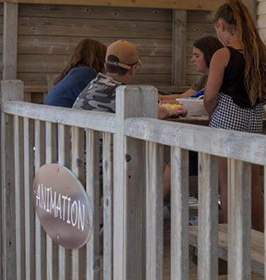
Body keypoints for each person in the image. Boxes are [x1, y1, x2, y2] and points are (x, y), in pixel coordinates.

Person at [73, 40, 184, 199]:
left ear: (106, 65)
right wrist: (170, 109)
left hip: (78, 161)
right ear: (133, 69)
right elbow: (157, 112)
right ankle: (144, 218)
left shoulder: (93, 84)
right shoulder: (118, 92)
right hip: (101, 166)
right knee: (170, 171)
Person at [204, 0, 266, 230]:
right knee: (253, 183)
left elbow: (210, 95)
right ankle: (258, 233)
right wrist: (253, 101)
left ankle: (232, 233)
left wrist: (210, 112)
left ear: (222, 26)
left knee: (228, 183)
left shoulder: (222, 55)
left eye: (217, 30)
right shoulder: (260, 54)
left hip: (226, 120)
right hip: (253, 119)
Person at [45, 39, 107, 108]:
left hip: (51, 115)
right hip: (63, 115)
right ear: (99, 58)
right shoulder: (86, 73)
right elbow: (100, 101)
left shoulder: (74, 72)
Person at [159, 35, 223, 102]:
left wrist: (158, 100)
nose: (192, 60)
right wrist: (158, 98)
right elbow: (184, 97)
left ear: (210, 56)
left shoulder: (220, 79)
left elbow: (190, 101)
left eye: (197, 56)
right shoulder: (205, 77)